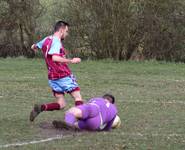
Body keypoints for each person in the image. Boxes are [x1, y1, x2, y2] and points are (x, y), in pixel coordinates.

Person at [30, 21, 84, 122]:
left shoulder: (47, 39)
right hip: (63, 75)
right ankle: (79, 122)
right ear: (61, 30)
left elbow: (34, 46)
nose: (67, 34)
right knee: (78, 97)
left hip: (52, 77)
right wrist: (71, 60)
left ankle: (41, 108)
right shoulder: (56, 41)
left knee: (61, 104)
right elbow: (55, 58)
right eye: (66, 31)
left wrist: (35, 47)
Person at [53, 94, 120, 131]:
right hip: (97, 122)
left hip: (93, 108)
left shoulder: (97, 99)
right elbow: (107, 128)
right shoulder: (114, 109)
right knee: (78, 125)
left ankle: (68, 122)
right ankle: (74, 125)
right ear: (112, 103)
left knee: (71, 112)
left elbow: (85, 109)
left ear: (104, 98)